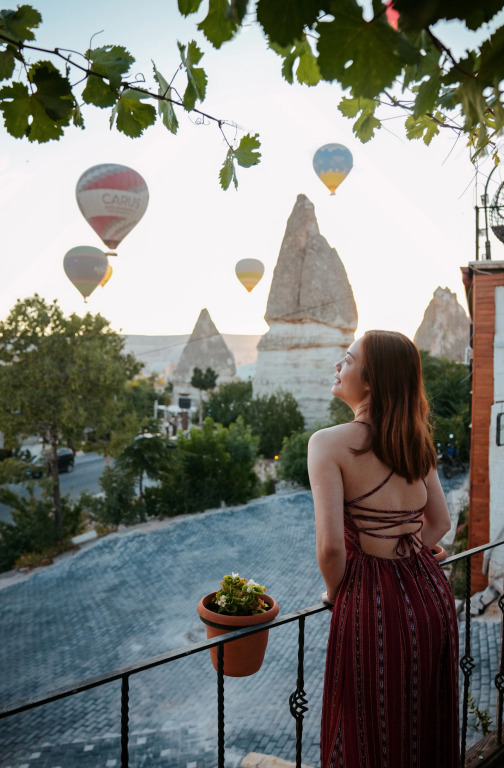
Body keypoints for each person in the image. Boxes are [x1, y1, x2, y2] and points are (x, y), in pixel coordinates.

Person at [308, 330, 459, 768]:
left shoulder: (327, 444)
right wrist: (406, 554)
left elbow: (330, 548)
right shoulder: (416, 441)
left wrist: (336, 594)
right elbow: (440, 523)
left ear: (371, 381)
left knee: (366, 731)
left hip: (372, 605)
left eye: (348, 359)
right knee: (423, 725)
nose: (338, 365)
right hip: (430, 596)